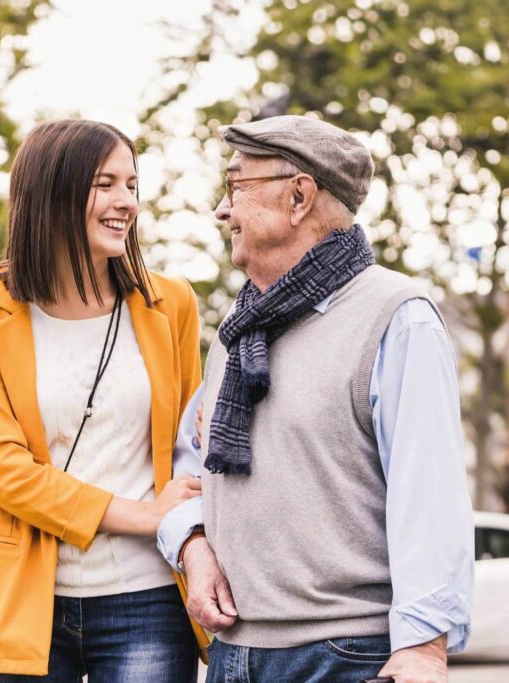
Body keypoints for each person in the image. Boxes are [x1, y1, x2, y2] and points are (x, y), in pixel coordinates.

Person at [158, 115, 475, 683]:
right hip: (234, 655)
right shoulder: (237, 329)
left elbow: (428, 494)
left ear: (299, 196)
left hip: (348, 657)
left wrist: (424, 647)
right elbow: (190, 469)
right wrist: (193, 545)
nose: (221, 211)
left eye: (236, 187)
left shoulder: (397, 317)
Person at [0, 119, 205, 681]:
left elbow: (191, 449)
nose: (126, 202)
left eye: (132, 185)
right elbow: (4, 471)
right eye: (104, 184)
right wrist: (142, 515)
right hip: (22, 599)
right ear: (51, 191)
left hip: (148, 599)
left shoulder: (173, 305)